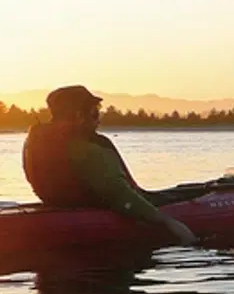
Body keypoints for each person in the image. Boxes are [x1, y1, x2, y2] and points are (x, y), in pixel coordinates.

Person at [22, 85, 196, 245]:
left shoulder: (36, 142)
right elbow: (121, 196)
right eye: (95, 112)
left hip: (58, 205)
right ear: (79, 115)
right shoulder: (88, 151)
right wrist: (167, 222)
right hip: (91, 210)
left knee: (185, 190)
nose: (98, 119)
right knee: (170, 198)